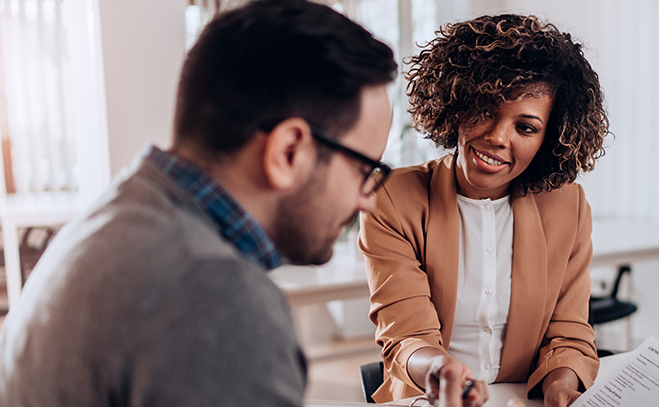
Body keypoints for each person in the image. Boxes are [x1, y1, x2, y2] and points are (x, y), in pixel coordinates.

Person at [0, 1, 396, 405]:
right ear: (288, 152)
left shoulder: (118, 215)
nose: (367, 199)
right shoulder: (215, 295)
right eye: (366, 170)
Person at [360, 14, 609, 407]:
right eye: (486, 109)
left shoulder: (567, 206)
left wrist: (562, 385)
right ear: (457, 102)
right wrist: (443, 375)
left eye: (525, 127)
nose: (497, 136)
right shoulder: (393, 197)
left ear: (549, 138)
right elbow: (407, 337)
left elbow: (569, 332)